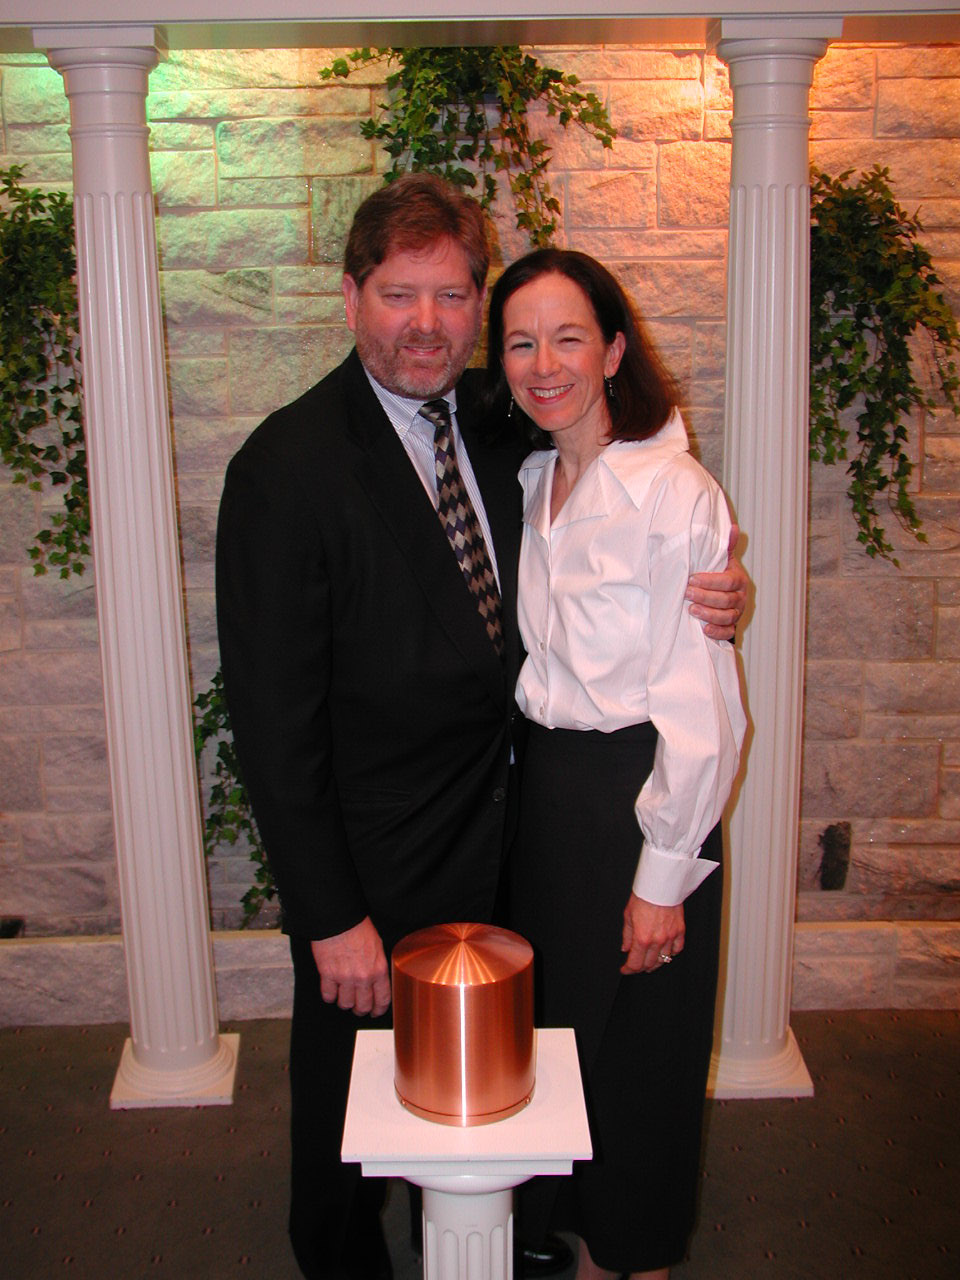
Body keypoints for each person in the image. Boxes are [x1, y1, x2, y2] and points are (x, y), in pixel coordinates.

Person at [216, 176, 746, 1280]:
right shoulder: (286, 467)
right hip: (380, 861)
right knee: (352, 1089)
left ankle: (499, 1234)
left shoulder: (512, 427)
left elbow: (627, 482)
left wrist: (712, 574)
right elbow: (273, 725)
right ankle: (339, 1258)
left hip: (523, 830)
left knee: (510, 1069)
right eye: (398, 294)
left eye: (453, 296)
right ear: (350, 297)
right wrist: (330, 914)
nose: (427, 323)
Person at [485, 248, 748, 1280]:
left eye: (568, 338)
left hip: (640, 796)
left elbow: (705, 709)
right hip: (550, 798)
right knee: (564, 1037)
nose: (543, 363)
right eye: (520, 342)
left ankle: (636, 1256)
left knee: (642, 1057)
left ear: (614, 350)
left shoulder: (674, 491)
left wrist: (661, 879)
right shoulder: (530, 480)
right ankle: (582, 1238)